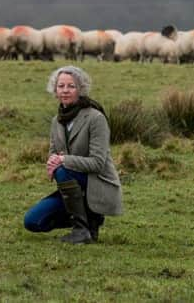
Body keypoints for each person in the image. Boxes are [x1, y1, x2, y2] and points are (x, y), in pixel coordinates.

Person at [24, 65, 123, 244]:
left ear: (80, 89)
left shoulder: (95, 118)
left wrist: (62, 161)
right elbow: (53, 153)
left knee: (62, 169)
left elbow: (97, 163)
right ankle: (90, 220)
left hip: (96, 181)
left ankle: (81, 229)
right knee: (32, 222)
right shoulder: (57, 121)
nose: (65, 90)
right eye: (61, 86)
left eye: (71, 86)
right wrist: (52, 164)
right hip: (72, 185)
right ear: (55, 89)